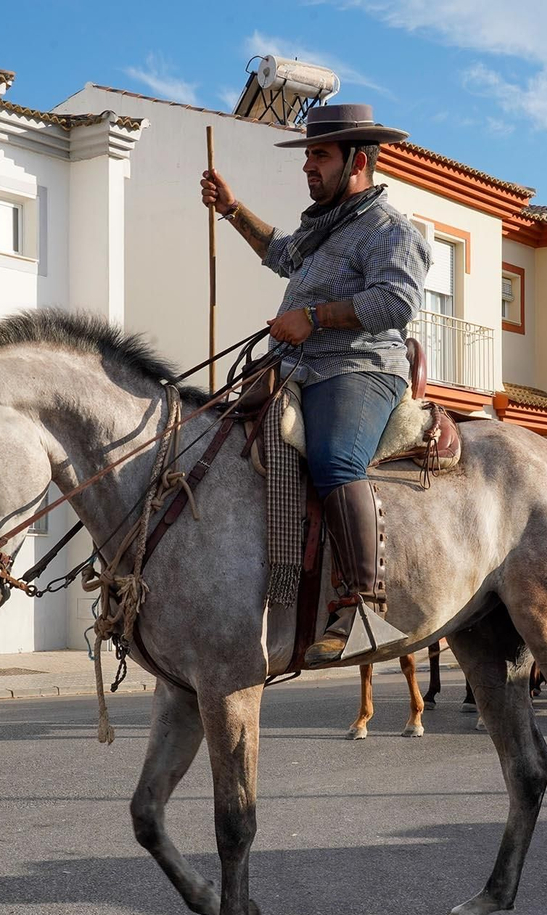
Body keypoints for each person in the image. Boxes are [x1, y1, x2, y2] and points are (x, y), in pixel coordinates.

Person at [201, 104, 429, 665]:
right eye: (308, 154)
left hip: (358, 369)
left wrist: (316, 317)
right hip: (295, 368)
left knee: (333, 461)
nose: (308, 166)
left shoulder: (390, 229)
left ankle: (361, 605)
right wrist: (232, 211)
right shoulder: (321, 228)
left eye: (319, 155)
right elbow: (281, 254)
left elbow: (398, 301)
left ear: (358, 161)